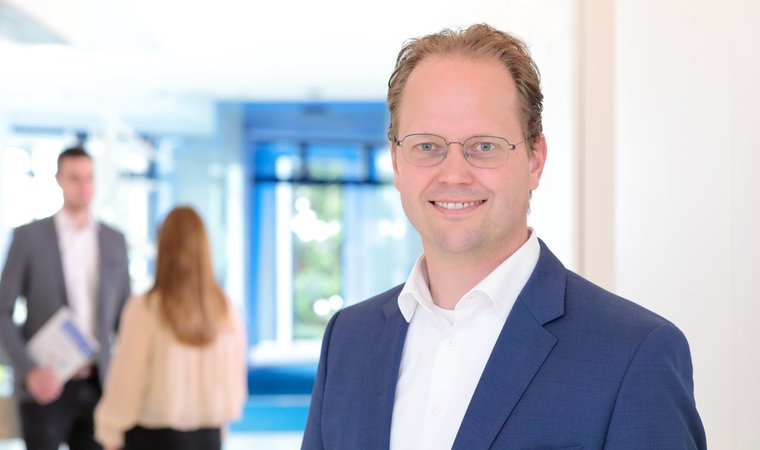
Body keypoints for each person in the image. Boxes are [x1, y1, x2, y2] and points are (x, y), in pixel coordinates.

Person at [302, 23, 706, 449]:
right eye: (427, 146)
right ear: (397, 162)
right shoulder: (348, 340)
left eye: (484, 146)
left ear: (535, 160)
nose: (453, 174)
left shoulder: (634, 354)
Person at [0, 146, 132, 450]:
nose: (84, 186)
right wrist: (29, 371)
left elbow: (126, 319)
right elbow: (1, 313)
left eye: (89, 178)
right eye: (75, 178)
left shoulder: (115, 241)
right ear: (59, 180)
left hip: (98, 384)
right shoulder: (28, 238)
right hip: (46, 383)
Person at [94, 206, 247, 450]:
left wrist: (109, 431)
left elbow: (126, 385)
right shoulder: (226, 309)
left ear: (163, 247)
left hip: (152, 439)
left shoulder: (145, 309)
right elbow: (235, 385)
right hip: (208, 438)